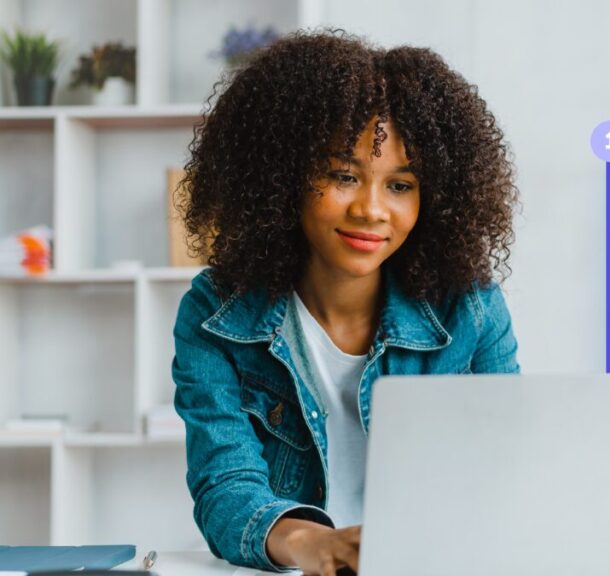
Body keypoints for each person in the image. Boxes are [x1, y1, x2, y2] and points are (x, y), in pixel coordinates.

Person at [171, 31, 520, 575]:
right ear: (283, 175)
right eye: (344, 176)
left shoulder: (469, 307)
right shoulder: (217, 313)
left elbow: (506, 463)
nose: (372, 209)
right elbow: (226, 487)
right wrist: (315, 547)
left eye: (401, 185)